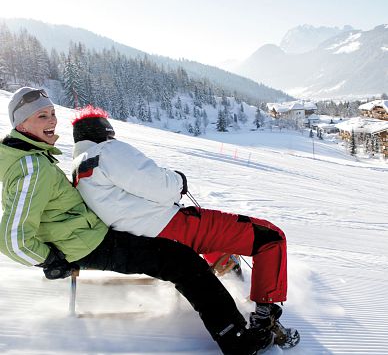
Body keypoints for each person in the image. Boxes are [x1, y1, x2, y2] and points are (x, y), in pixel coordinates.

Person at [0, 87, 285, 355]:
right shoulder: (34, 166)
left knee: (181, 260)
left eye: (52, 113)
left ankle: (231, 314)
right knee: (188, 263)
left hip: (91, 238)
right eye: (42, 116)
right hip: (89, 244)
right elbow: (12, 237)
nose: (52, 121)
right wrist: (50, 260)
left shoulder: (40, 158)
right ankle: (237, 339)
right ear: (21, 125)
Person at [71, 105, 300, 349]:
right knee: (270, 236)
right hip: (171, 226)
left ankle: (226, 266)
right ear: (106, 133)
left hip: (138, 237)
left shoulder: (78, 168)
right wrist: (179, 180)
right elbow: (158, 185)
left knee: (211, 235)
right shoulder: (108, 151)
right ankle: (263, 316)